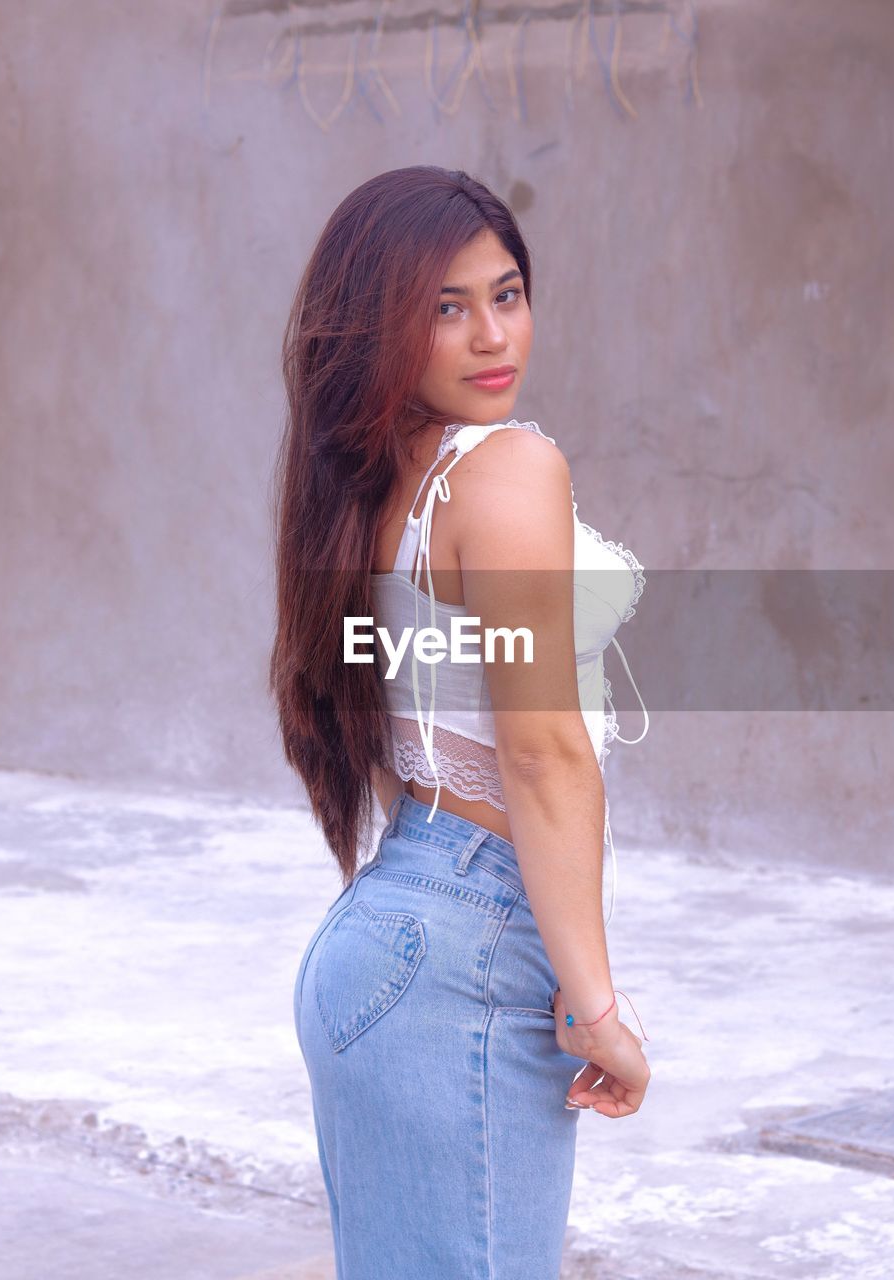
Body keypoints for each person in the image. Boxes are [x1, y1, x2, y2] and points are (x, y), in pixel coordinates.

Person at [269, 165, 651, 1280]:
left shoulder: (370, 489)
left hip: (382, 931)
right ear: (377, 323)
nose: (493, 334)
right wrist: (595, 1006)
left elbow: (403, 721)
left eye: (507, 291)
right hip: (464, 950)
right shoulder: (506, 469)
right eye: (445, 306)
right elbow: (540, 751)